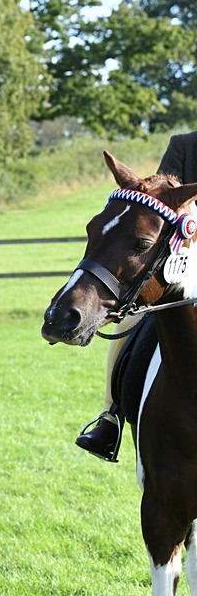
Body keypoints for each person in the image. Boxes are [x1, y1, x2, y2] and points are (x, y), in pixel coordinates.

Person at [76, 131, 197, 461]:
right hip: (185, 266)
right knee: (130, 316)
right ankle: (110, 416)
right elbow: (156, 200)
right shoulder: (185, 145)